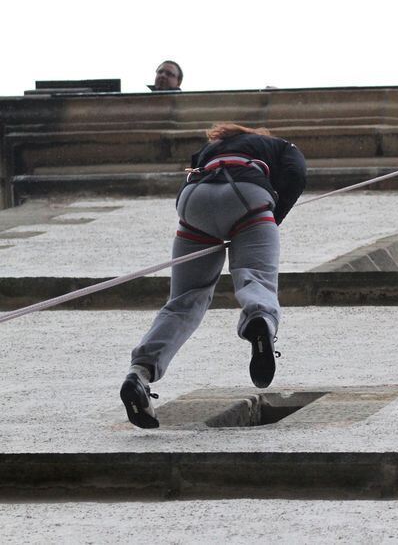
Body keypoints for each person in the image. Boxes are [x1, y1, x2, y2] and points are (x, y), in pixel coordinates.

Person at [120, 123, 307, 429]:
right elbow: (297, 175)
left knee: (183, 301)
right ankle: (259, 321)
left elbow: (192, 174)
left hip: (194, 203)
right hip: (248, 196)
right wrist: (271, 219)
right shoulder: (280, 146)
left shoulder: (209, 149)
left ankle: (139, 372)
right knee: (256, 276)